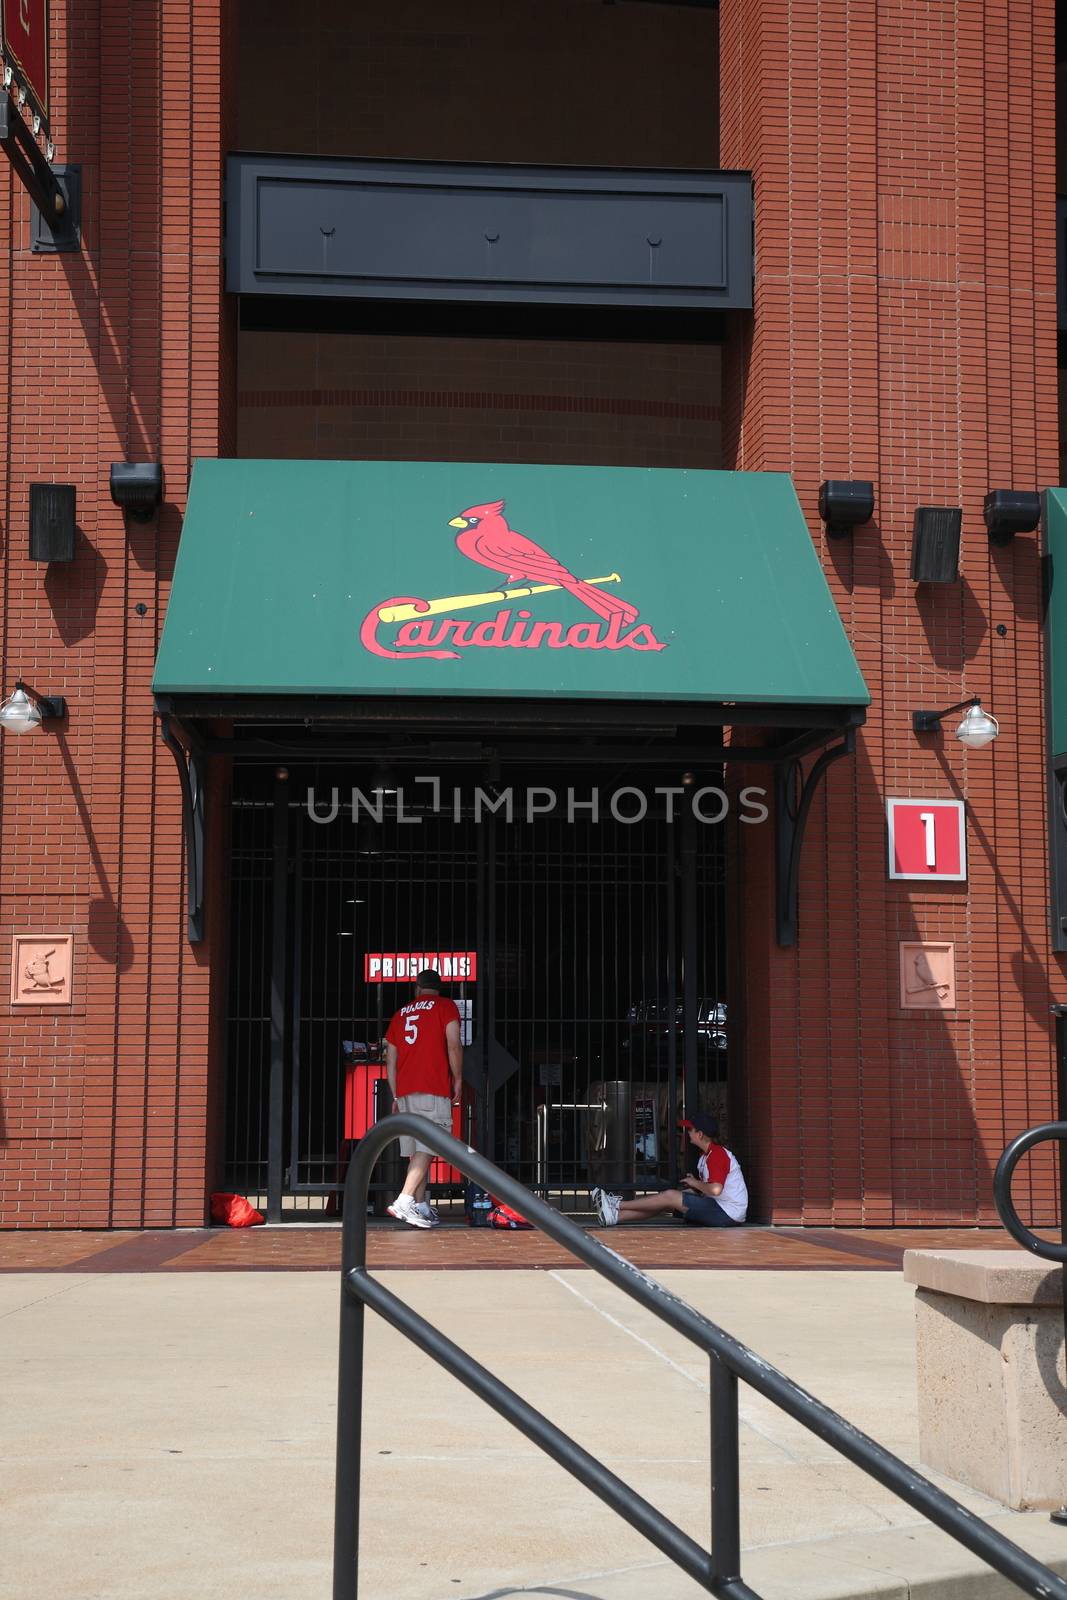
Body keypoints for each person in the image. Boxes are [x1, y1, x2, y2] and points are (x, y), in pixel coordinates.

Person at [383, 969, 464, 1229]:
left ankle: (419, 1205)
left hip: (405, 1089)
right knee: (431, 1144)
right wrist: (458, 1077)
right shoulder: (445, 1006)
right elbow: (453, 1044)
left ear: (417, 988)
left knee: (418, 1149)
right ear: (437, 988)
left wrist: (396, 1093)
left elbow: (391, 1059)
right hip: (432, 1085)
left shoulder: (401, 1013)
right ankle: (405, 1199)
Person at [592, 1114, 747, 1228]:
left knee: (670, 1196)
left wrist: (695, 1182)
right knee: (666, 1201)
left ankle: (617, 1204)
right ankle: (615, 1217)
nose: (687, 1132)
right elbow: (710, 1189)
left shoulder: (717, 1155)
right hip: (720, 1209)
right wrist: (695, 1185)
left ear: (700, 1134)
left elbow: (715, 1189)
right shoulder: (705, 1156)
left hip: (727, 1213)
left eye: (690, 1130)